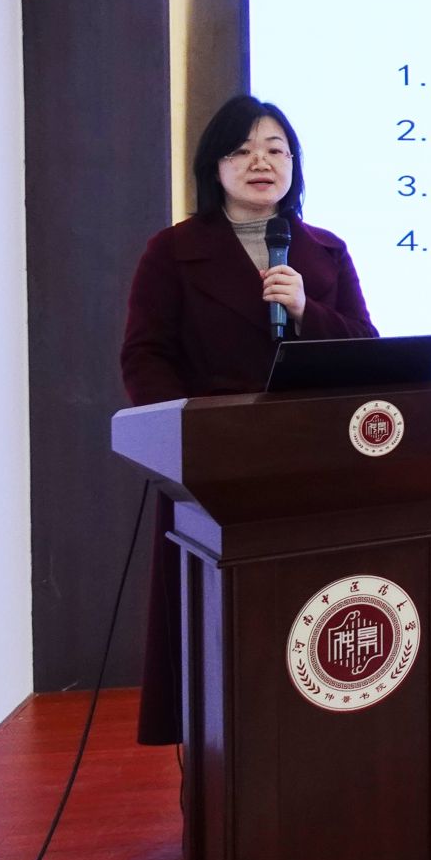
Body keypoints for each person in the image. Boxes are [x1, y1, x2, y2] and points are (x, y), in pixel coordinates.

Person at [121, 94, 378, 743]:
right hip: (215, 470)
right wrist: (187, 435)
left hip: (316, 464)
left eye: (275, 149)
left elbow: (369, 350)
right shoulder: (172, 251)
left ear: (294, 165)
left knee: (313, 626)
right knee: (221, 637)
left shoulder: (324, 251)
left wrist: (308, 313)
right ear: (215, 166)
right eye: (242, 150)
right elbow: (145, 357)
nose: (261, 162)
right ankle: (219, 766)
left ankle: (320, 750)